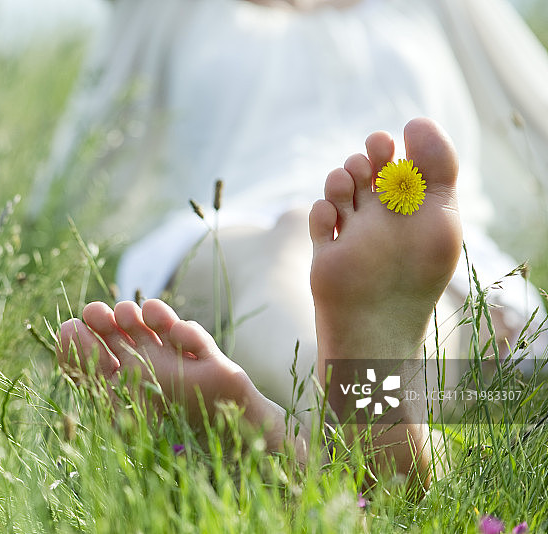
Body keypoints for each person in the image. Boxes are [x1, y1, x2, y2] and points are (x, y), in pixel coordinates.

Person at [37, 0, 548, 488]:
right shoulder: (168, 6)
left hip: (420, 233)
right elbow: (85, 154)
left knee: (424, 297)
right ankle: (380, 426)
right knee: (285, 248)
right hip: (232, 221)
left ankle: (300, 440)